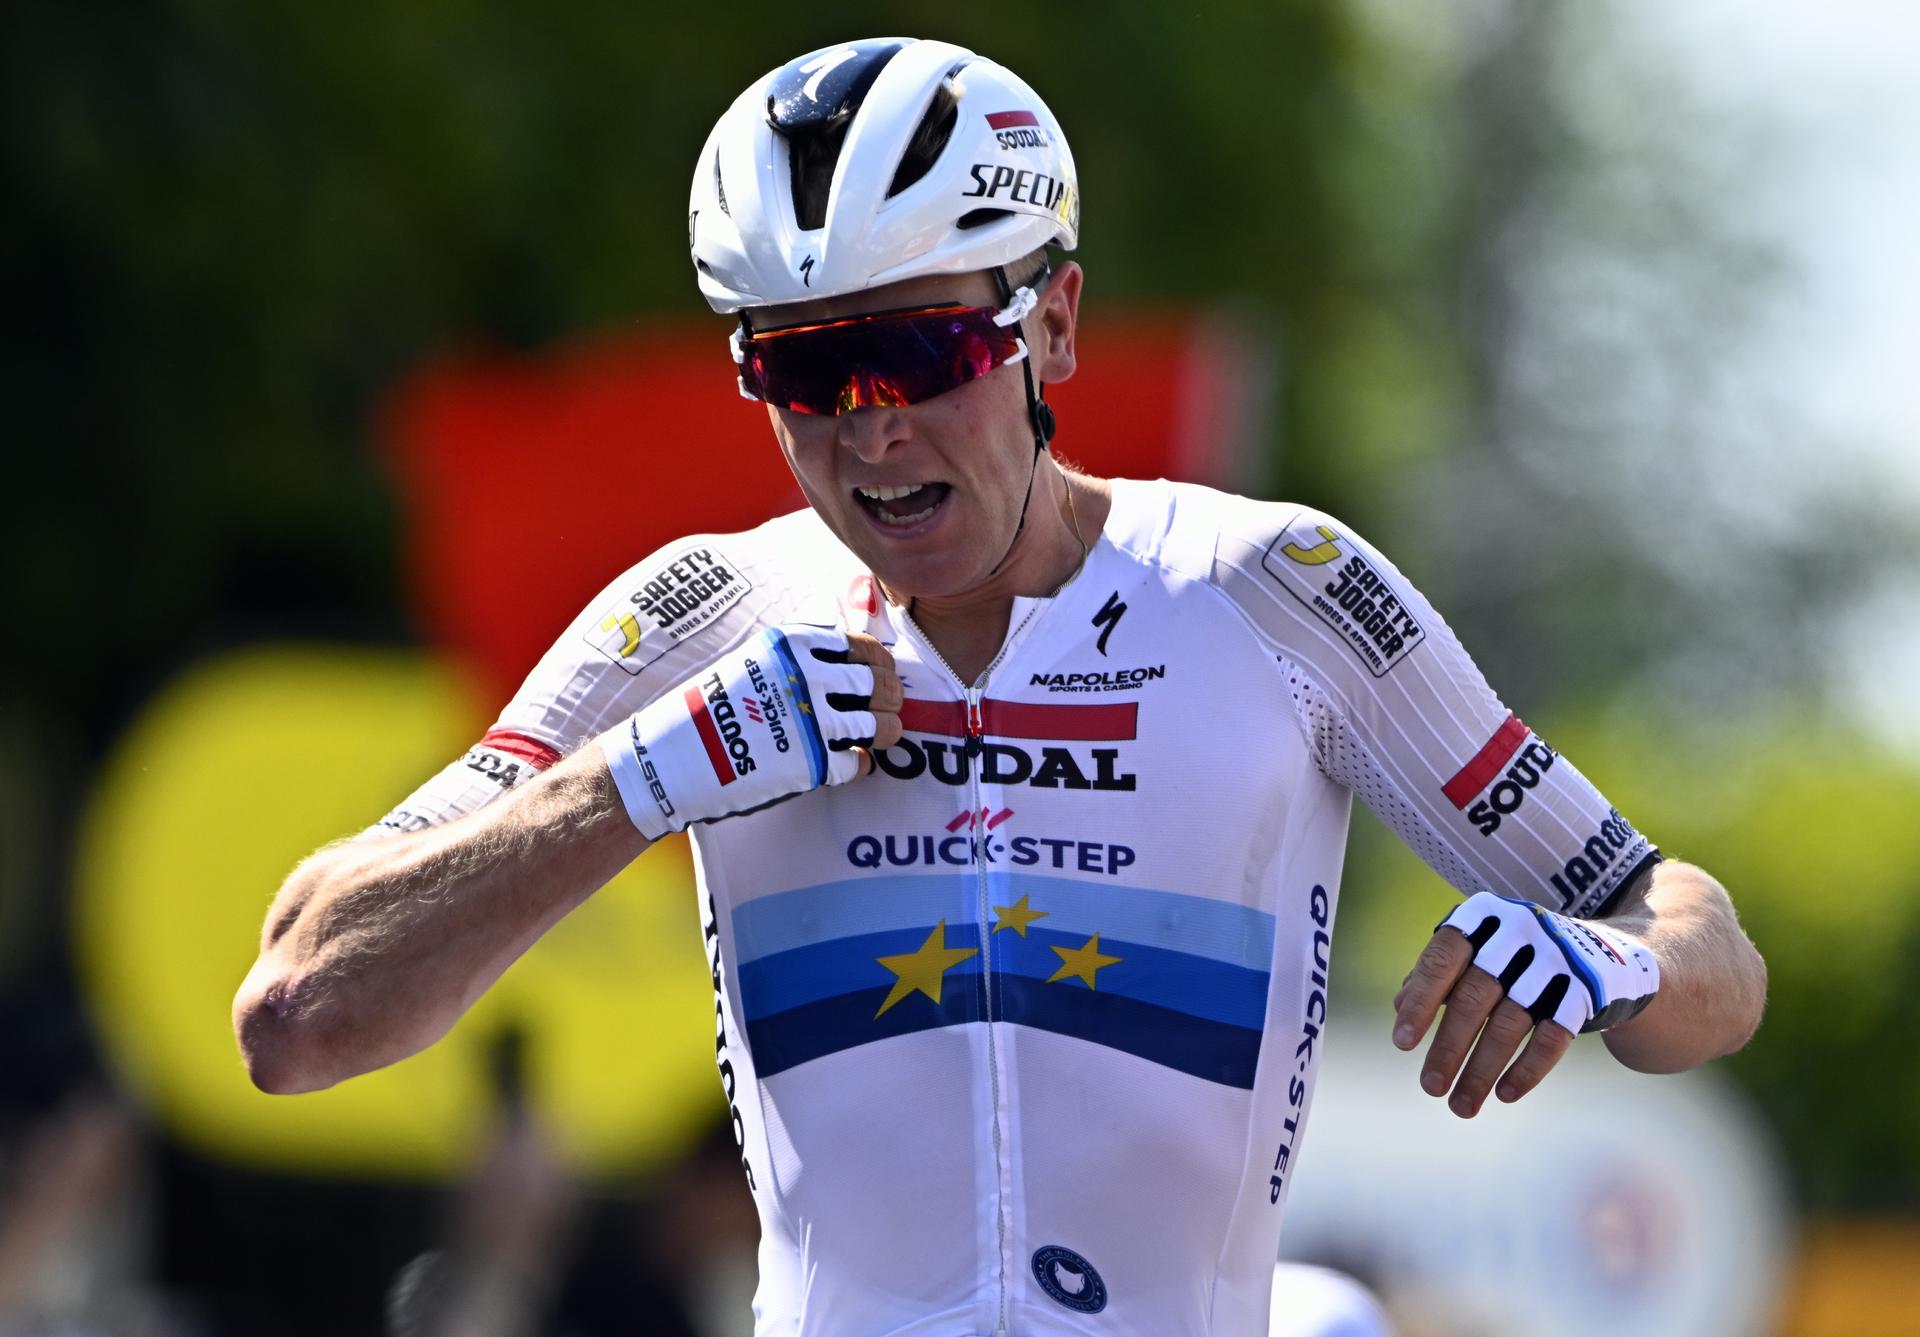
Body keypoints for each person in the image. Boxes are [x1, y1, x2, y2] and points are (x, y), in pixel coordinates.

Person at [231, 37, 1768, 1337]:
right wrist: (654, 767)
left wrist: (1605, 959)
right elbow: (297, 1012)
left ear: (1053, 327)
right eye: (805, 374)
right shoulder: (704, 612)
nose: (872, 431)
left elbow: (1704, 951)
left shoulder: (1275, 589)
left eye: (915, 350)